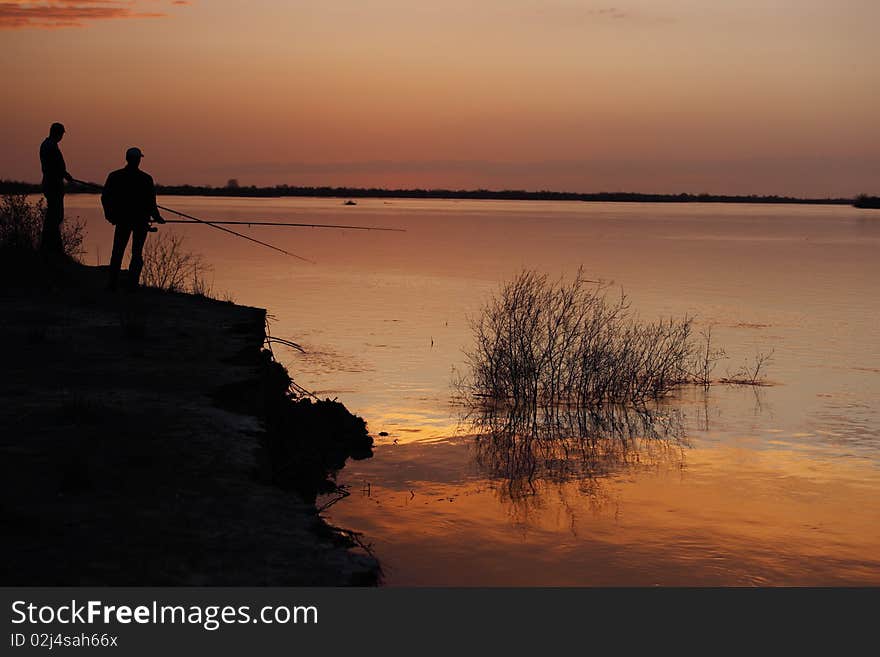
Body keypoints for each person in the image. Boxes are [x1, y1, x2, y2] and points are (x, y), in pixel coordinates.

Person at [101, 147, 165, 291]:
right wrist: (157, 217)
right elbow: (151, 203)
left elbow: (105, 198)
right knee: (137, 253)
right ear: (138, 161)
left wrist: (110, 215)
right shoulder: (146, 179)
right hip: (140, 221)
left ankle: (112, 284)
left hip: (123, 220)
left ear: (127, 159)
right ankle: (132, 285)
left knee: (117, 252)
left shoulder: (115, 176)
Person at [39, 122, 74, 255]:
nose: (62, 137)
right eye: (61, 134)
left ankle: (51, 248)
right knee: (55, 216)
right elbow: (54, 167)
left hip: (52, 183)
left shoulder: (48, 145)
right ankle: (52, 249)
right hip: (53, 184)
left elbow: (55, 167)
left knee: (54, 216)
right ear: (57, 133)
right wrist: (64, 174)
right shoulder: (50, 146)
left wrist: (64, 175)